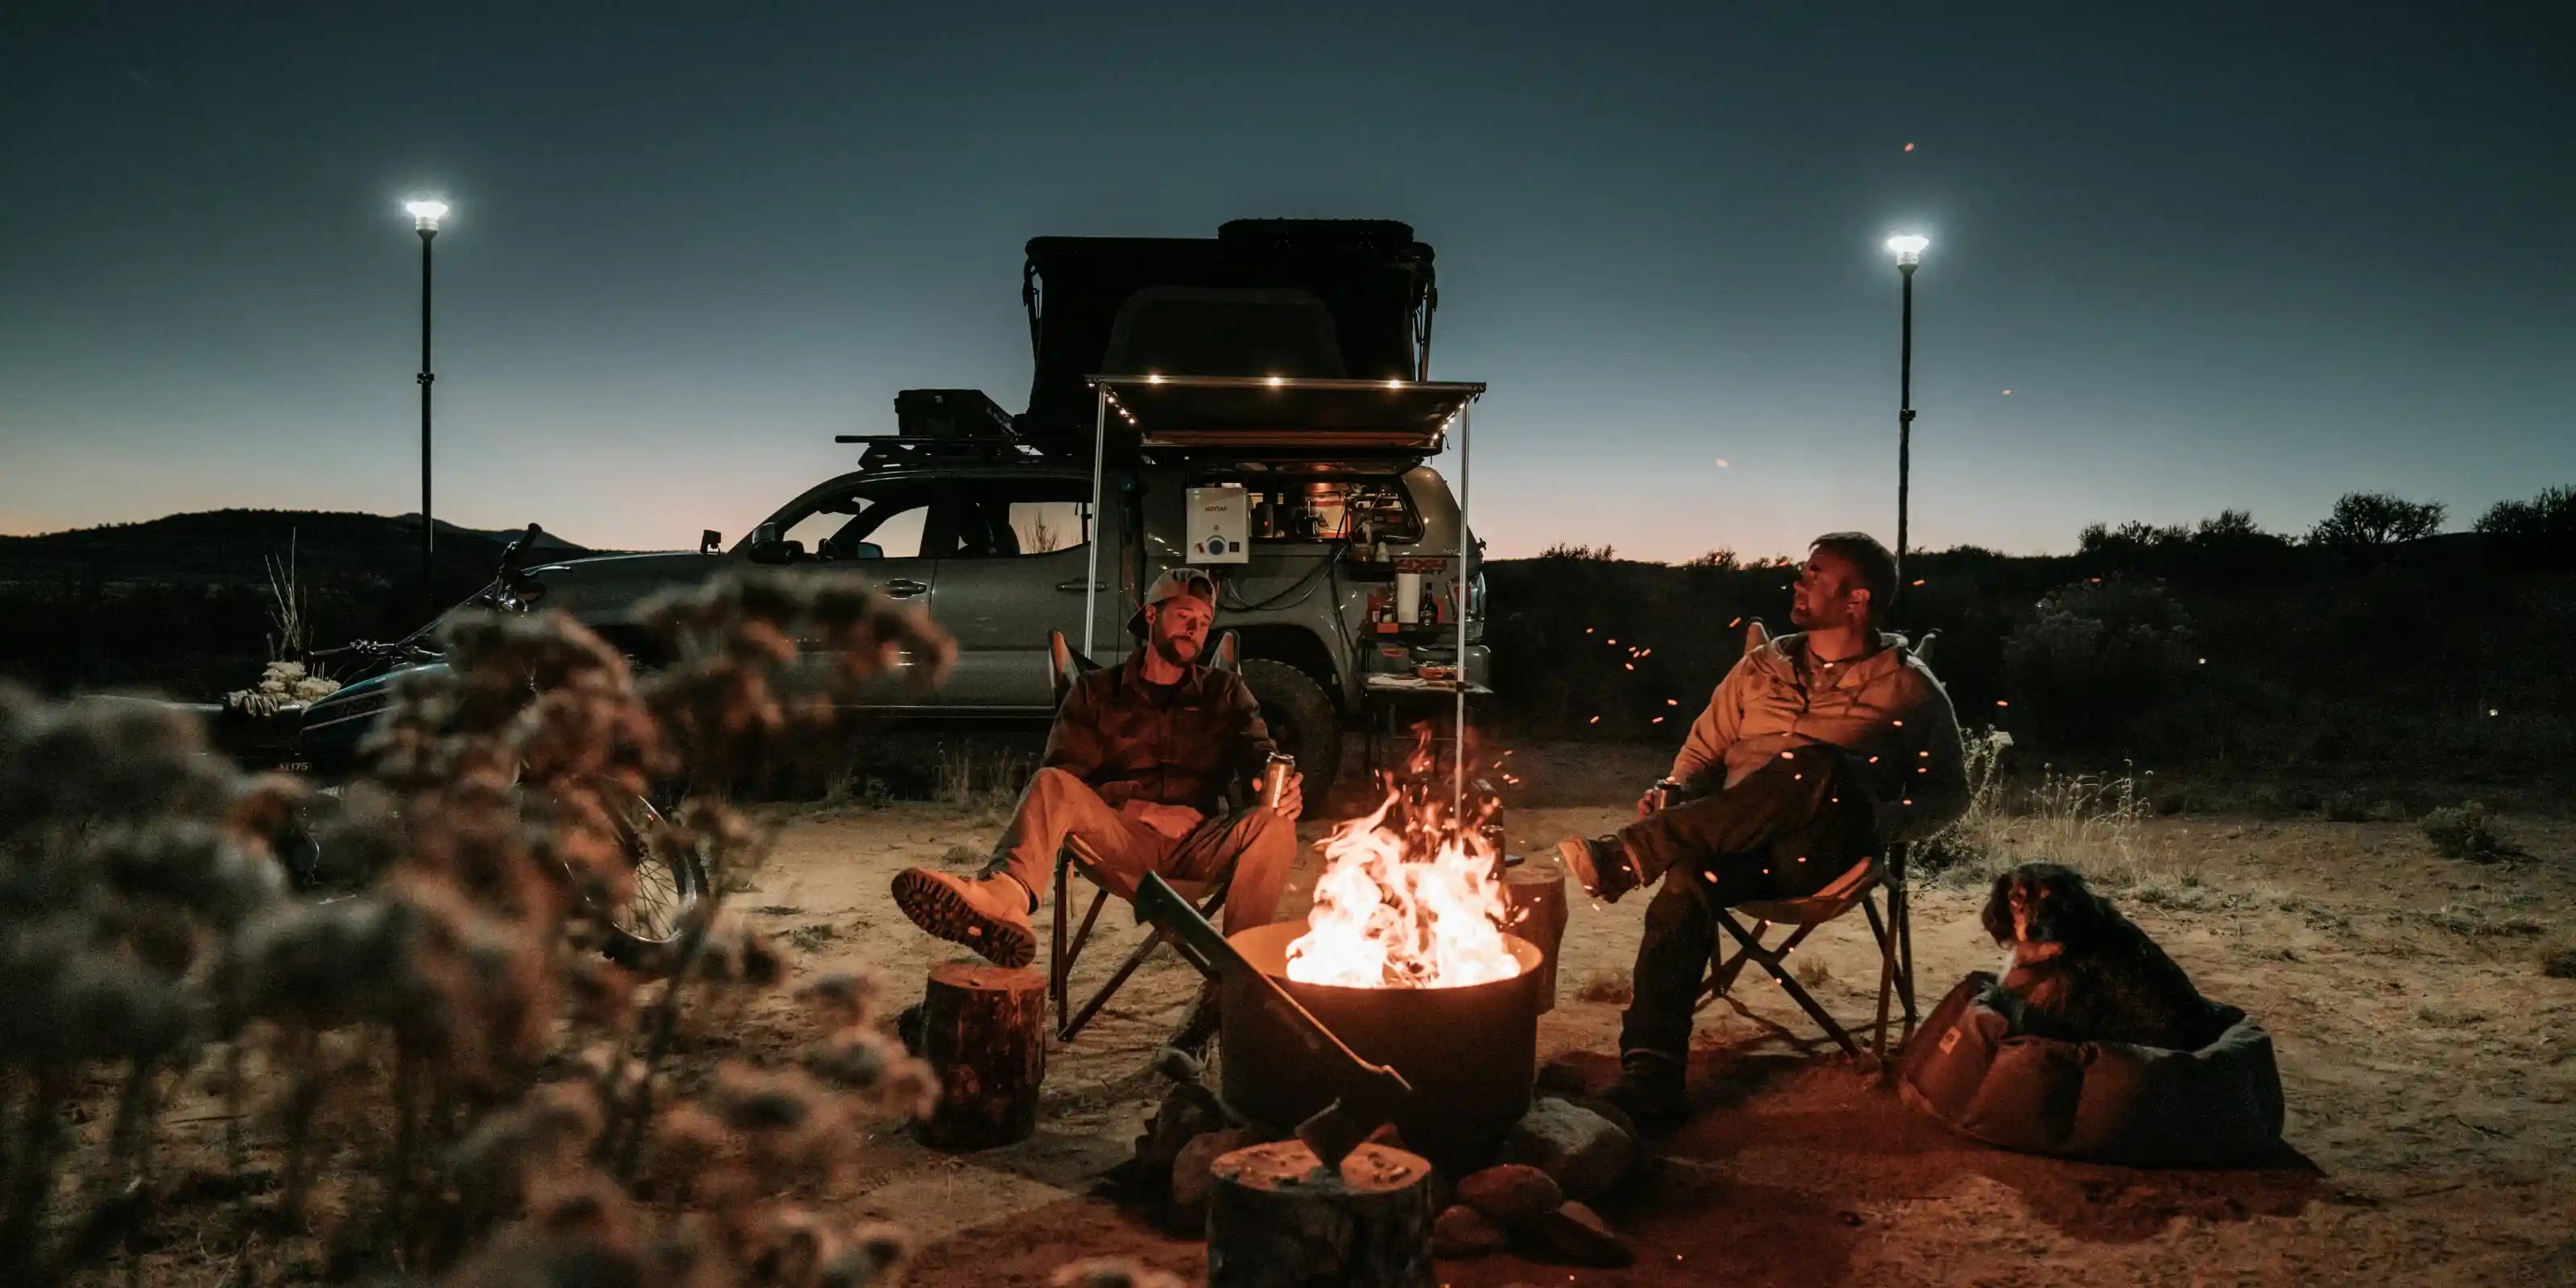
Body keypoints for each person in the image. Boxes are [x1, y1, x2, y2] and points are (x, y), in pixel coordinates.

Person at [1555, 532, 1967, 1126]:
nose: (1798, 582)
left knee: (1814, 764)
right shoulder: (1759, 669)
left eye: (1815, 573)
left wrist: (1885, 822)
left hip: (1827, 853)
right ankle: (1651, 1078)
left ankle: (1627, 856)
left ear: (1857, 600)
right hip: (1741, 843)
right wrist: (1675, 793)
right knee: (1689, 876)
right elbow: (1700, 756)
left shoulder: (1906, 685)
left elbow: (1952, 794)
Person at [890, 567, 1302, 1040]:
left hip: (1199, 845)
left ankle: (1236, 988)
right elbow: (1068, 774)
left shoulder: (1225, 693)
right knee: (1050, 784)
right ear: (1151, 615)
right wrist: (1142, 809)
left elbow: (1261, 753)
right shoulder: (1095, 692)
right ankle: (1003, 899)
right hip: (1119, 842)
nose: (1194, 629)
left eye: (1204, 622)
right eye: (1184, 615)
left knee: (1274, 825)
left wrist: (1279, 782)